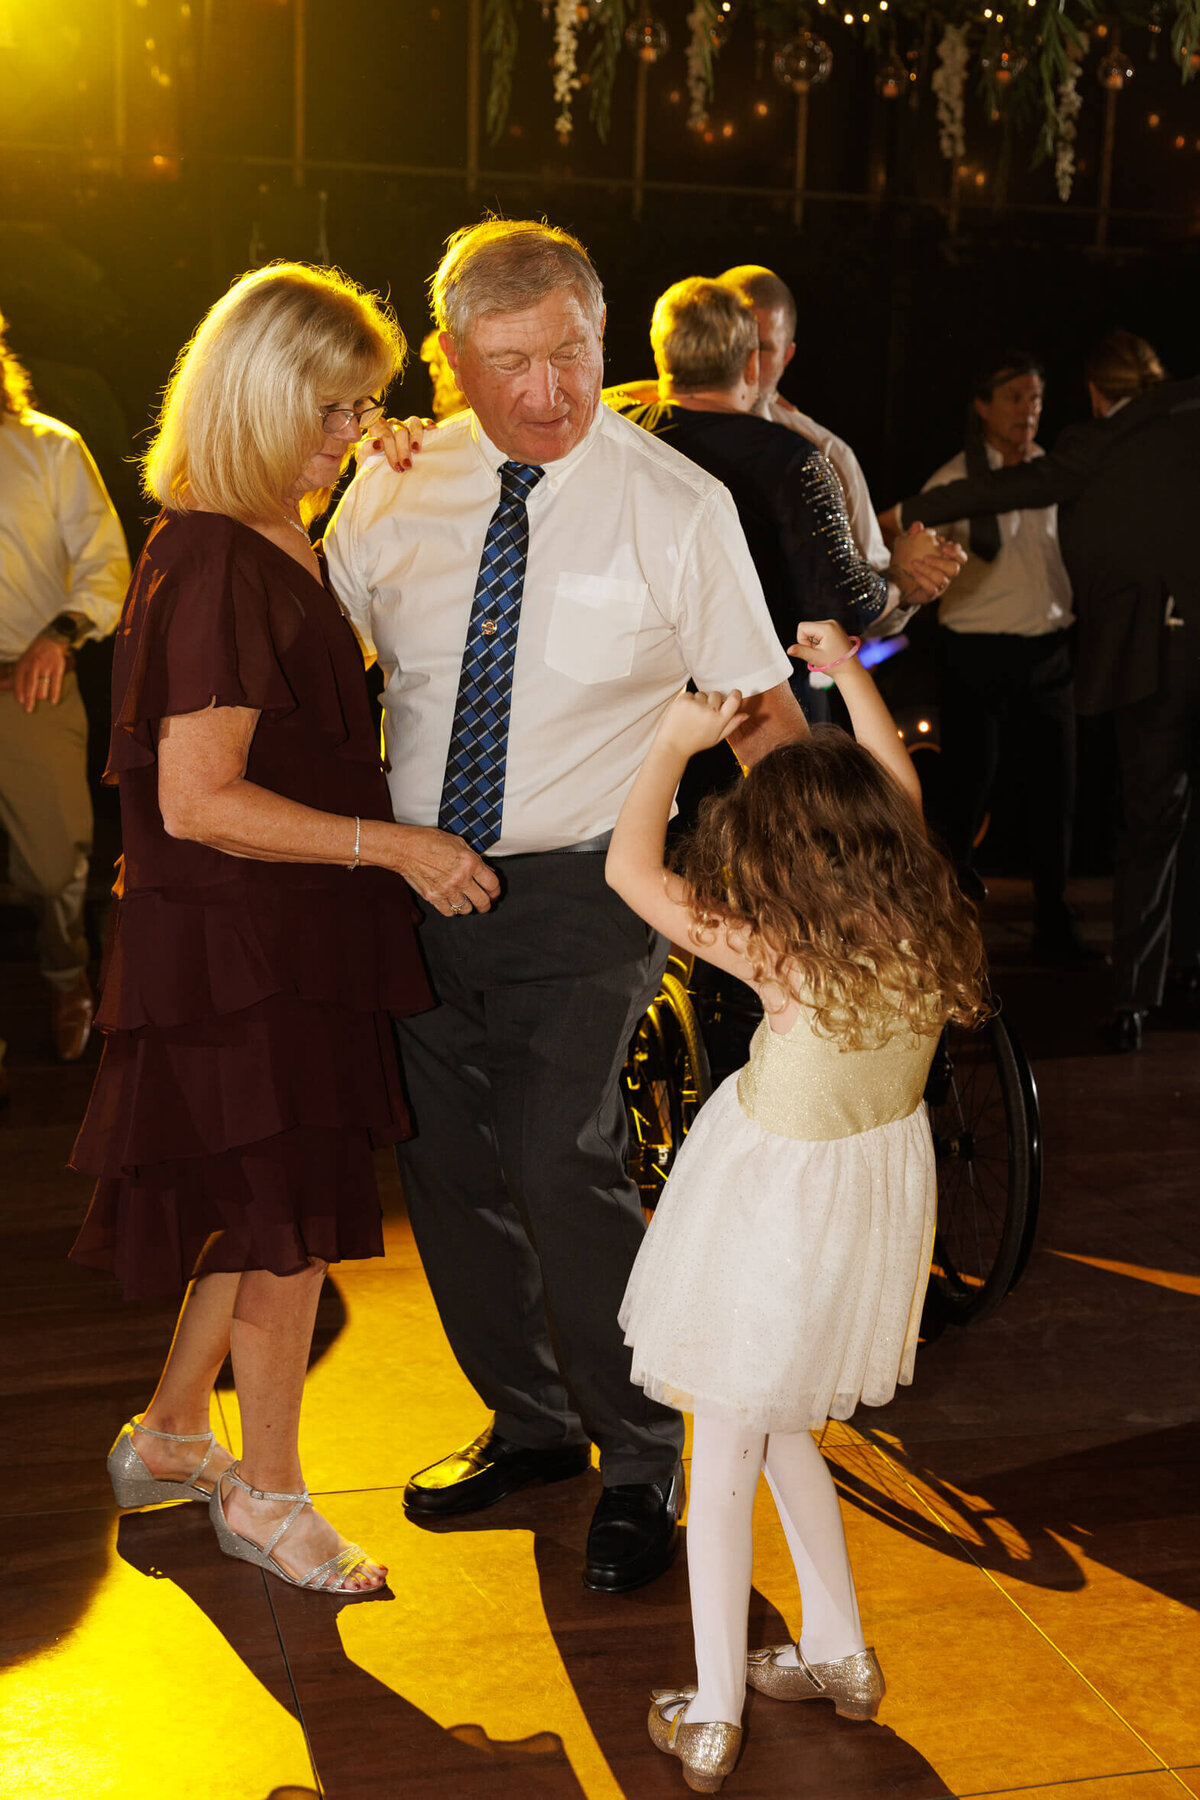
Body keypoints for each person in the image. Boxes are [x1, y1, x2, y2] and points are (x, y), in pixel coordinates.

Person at [323, 218, 806, 1595]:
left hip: (593, 884)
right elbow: (315, 638)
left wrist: (826, 891)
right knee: (445, 1169)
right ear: (452, 360)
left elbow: (759, 713)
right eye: (510, 363)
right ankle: (532, 1424)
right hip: (417, 881)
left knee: (556, 1157)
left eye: (573, 357)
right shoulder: (396, 487)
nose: (546, 393)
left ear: (606, 342)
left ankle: (643, 1451)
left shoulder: (676, 506)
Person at [69, 262, 434, 1592]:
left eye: (368, 407)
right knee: (283, 1226)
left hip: (271, 934)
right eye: (332, 410)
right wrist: (394, 844)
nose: (353, 433)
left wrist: (381, 461)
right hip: (245, 941)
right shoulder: (220, 556)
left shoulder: (260, 526)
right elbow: (200, 796)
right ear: (262, 398)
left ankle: (173, 1436)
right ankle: (270, 1496)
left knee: (254, 1208)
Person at [605, 620, 987, 1792]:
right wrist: (842, 681)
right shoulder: (919, 910)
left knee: (720, 1445)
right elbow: (903, 784)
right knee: (779, 1427)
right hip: (864, 1216)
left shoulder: (780, 949)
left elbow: (629, 872)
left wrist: (669, 747)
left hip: (769, 1215)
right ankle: (839, 1650)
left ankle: (713, 1710)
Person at [883, 329, 1200, 1050]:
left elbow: (1010, 489)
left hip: (1139, 657)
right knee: (983, 799)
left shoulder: (1095, 445)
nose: (1031, 409)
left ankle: (1137, 999)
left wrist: (900, 515)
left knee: (1149, 823)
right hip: (992, 658)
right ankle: (1180, 972)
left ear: (1093, 393)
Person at [608, 278, 964, 714]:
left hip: (644, 702)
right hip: (760, 706)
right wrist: (905, 576)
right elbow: (844, 603)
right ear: (752, 364)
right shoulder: (795, 457)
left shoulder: (618, 429)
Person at [919, 349, 1091, 964]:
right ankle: (946, 927)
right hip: (977, 651)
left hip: (1048, 651)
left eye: (1037, 399)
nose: (1029, 410)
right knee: (967, 792)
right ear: (983, 406)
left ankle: (1054, 919)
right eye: (1015, 397)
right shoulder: (952, 483)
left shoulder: (1058, 473)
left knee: (1056, 792)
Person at [0, 310, 130, 1085]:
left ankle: (65, 975)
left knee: (54, 870)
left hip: (28, 678)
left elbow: (103, 562)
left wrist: (60, 632)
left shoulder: (48, 446)